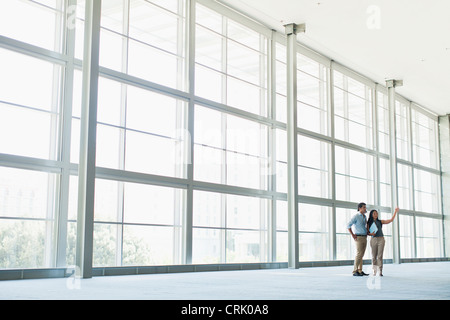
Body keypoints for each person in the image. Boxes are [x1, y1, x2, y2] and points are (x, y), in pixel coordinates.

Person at [367, 207, 399, 276]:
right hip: (373, 239)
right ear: (371, 215)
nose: (376, 215)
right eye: (374, 213)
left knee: (380, 256)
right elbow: (367, 232)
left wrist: (395, 212)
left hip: (381, 239)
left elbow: (390, 220)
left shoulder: (380, 221)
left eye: (377, 213)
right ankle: (374, 271)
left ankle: (380, 271)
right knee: (373, 256)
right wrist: (370, 234)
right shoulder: (368, 222)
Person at [347, 202, 369, 276]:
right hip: (358, 237)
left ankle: (360, 270)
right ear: (359, 208)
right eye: (364, 207)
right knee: (359, 254)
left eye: (365, 207)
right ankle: (355, 271)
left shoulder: (365, 217)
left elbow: (365, 227)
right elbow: (348, 225)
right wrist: (353, 235)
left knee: (361, 255)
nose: (365, 209)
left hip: (364, 237)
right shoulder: (356, 216)